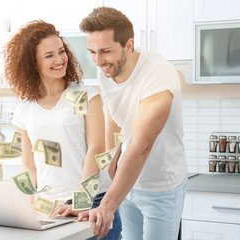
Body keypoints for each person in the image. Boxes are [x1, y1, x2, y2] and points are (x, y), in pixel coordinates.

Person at [3, 20, 121, 239]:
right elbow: (29, 165)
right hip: (49, 207)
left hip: (92, 201)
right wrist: (31, 206)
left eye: (61, 51)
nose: (60, 60)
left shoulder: (86, 95)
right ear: (32, 63)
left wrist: (81, 199)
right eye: (49, 56)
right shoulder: (24, 109)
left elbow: (97, 147)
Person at [78, 7, 188, 240]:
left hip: (162, 186)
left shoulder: (158, 74)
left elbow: (141, 146)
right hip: (128, 186)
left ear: (129, 45)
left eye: (105, 51)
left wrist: (106, 206)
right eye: (92, 52)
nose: (98, 61)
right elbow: (113, 125)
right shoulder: (106, 71)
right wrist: (86, 198)